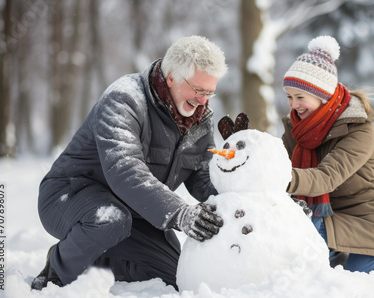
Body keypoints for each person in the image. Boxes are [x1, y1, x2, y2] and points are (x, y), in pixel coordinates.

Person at [31, 35, 227, 291]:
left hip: (134, 210)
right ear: (171, 78)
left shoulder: (200, 120)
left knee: (174, 277)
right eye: (198, 90)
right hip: (69, 195)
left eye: (210, 92)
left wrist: (245, 200)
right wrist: (180, 213)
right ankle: (55, 273)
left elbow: (201, 176)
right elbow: (125, 171)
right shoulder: (125, 99)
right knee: (111, 220)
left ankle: (98, 260)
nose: (203, 100)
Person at [281, 36, 374, 274]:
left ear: (322, 96)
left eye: (300, 97)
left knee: (361, 288)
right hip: (327, 219)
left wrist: (275, 175)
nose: (294, 105)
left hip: (367, 223)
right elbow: (276, 158)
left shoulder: (358, 128)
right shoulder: (298, 129)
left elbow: (326, 177)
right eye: (290, 97)